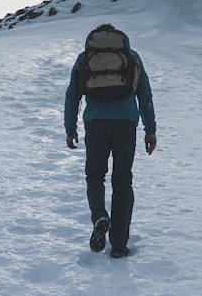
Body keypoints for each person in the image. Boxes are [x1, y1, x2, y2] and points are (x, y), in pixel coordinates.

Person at [65, 23, 157, 258]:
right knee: (123, 181)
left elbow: (72, 95)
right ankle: (118, 246)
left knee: (95, 175)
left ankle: (99, 216)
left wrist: (70, 128)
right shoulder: (131, 56)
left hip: (96, 123)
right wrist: (150, 129)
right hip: (126, 123)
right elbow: (145, 95)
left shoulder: (85, 57)